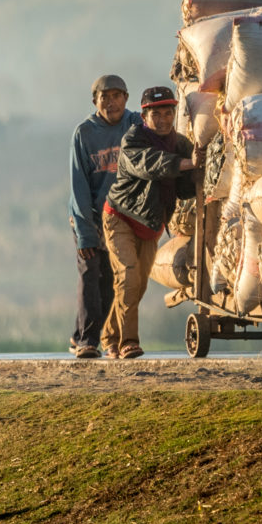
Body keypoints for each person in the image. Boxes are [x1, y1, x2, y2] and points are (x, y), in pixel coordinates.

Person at [100, 86, 196, 360]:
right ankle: (129, 342)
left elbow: (186, 188)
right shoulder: (133, 141)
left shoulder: (180, 143)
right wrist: (187, 163)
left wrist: (202, 169)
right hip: (121, 218)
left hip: (151, 225)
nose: (164, 120)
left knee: (137, 286)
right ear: (145, 116)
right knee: (128, 277)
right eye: (157, 115)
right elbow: (149, 164)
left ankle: (109, 336)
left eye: (169, 113)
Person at [67, 74, 135, 359]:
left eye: (117, 95)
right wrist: (86, 231)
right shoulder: (84, 133)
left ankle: (81, 335)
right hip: (90, 216)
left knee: (110, 281)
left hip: (121, 219)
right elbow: (79, 185)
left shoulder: (135, 125)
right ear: (95, 101)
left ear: (126, 99)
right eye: (104, 97)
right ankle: (87, 341)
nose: (111, 102)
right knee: (91, 275)